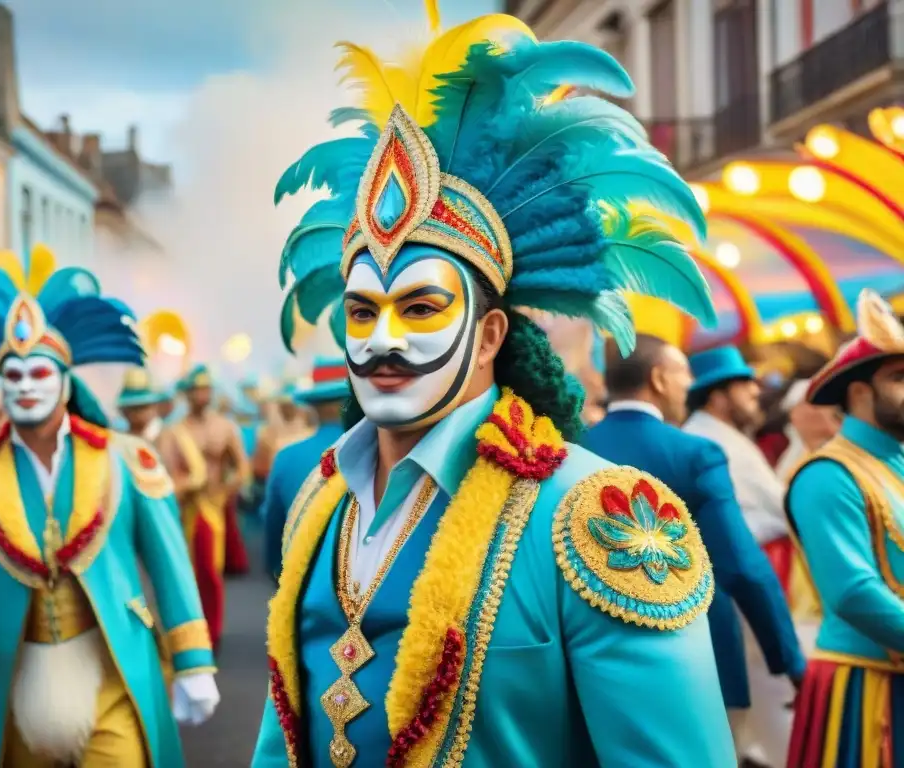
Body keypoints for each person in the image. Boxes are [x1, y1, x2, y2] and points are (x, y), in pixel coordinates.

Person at [252, 7, 736, 765]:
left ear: (488, 336)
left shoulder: (602, 516)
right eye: (361, 312)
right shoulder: (320, 500)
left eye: (420, 308)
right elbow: (282, 729)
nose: (381, 338)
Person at [0, 245, 219, 767]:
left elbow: (169, 564)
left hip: (113, 680)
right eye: (13, 377)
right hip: (8, 688)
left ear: (65, 382)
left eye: (38, 373)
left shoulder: (126, 461)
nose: (25, 387)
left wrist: (193, 660)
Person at [583, 335, 804, 755]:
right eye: (684, 374)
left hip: (595, 663)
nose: (689, 386)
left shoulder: (574, 447)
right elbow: (742, 566)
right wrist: (789, 660)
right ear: (659, 379)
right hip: (697, 660)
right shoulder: (695, 453)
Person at [786, 290, 904, 767]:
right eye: (899, 377)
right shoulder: (828, 474)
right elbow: (853, 593)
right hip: (865, 686)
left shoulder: (896, 463)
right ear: (859, 393)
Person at [683, 344, 796, 766]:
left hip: (759, 581)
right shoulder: (707, 441)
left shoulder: (726, 436)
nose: (755, 392)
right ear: (717, 396)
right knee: (761, 705)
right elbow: (741, 530)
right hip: (740, 590)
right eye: (744, 385)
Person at [159, 364, 251, 647]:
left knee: (211, 571)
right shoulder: (174, 432)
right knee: (183, 572)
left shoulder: (225, 427)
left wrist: (224, 492)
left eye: (206, 389)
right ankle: (188, 628)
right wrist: (184, 487)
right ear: (186, 394)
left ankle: (212, 631)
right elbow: (167, 474)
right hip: (185, 509)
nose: (202, 394)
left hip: (213, 507)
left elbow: (241, 468)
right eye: (196, 390)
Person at [261, 357, 350, 583]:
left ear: (314, 407)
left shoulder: (286, 456)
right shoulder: (380, 452)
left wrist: (280, 573)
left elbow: (273, 525)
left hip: (302, 579)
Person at [116, 367, 170, 445]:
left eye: (142, 407)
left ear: (154, 407)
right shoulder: (119, 436)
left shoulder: (163, 436)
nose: (135, 414)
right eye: (132, 408)